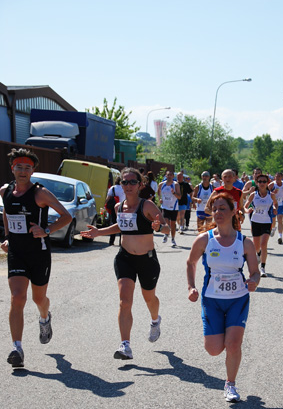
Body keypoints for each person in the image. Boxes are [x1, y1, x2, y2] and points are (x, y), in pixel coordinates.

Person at [81, 167, 170, 360]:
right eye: (124, 182)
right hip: (125, 258)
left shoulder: (147, 206)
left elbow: (167, 229)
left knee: (149, 299)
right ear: (120, 185)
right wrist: (99, 232)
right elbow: (121, 225)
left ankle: (155, 320)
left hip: (147, 260)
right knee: (125, 301)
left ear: (140, 185)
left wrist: (159, 227)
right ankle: (125, 346)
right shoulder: (118, 207)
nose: (128, 185)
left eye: (132, 182)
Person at [0, 148, 72, 368]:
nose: (23, 171)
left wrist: (47, 230)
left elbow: (67, 216)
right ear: (12, 168)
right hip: (17, 253)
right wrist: (7, 237)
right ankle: (17, 348)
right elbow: (7, 213)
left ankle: (44, 318)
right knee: (17, 297)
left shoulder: (40, 193)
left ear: (33, 171)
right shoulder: (5, 190)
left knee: (38, 299)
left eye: (27, 168)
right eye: (19, 167)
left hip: (38, 253)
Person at [187, 190, 259, 402]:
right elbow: (190, 263)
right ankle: (224, 345)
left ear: (233, 210)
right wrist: (191, 287)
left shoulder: (244, 242)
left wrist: (254, 281)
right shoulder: (205, 240)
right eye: (215, 209)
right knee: (214, 349)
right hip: (212, 300)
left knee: (234, 343)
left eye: (223, 208)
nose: (218, 212)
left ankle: (230, 384)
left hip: (238, 299)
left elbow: (255, 271)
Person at [245, 174, 278, 277]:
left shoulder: (271, 195)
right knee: (256, 247)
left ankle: (263, 268)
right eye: (260, 181)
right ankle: (258, 255)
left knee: (264, 244)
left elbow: (275, 203)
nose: (262, 183)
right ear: (257, 183)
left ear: (267, 183)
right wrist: (247, 210)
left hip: (267, 222)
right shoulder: (253, 195)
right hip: (255, 221)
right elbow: (245, 206)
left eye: (264, 181)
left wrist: (274, 208)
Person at [157, 170, 181, 247]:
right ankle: (166, 234)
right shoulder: (161, 184)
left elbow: (179, 197)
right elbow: (158, 192)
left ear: (173, 176)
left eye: (171, 175)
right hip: (165, 207)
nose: (169, 176)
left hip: (173, 207)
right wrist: (160, 199)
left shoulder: (176, 185)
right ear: (166, 176)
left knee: (172, 224)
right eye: (168, 175)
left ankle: (173, 239)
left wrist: (174, 193)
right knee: (165, 222)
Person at [269, 172, 283, 243]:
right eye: (276, 176)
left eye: (279, 176)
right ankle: (273, 228)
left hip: (281, 204)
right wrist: (272, 193)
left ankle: (280, 236)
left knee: (280, 220)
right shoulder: (272, 184)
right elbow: (265, 192)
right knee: (273, 221)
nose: (277, 178)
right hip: (272, 204)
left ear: (282, 177)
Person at [105, 176, 124, 245]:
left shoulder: (112, 188)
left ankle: (111, 241)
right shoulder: (124, 188)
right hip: (123, 207)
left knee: (113, 222)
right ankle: (121, 242)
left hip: (113, 207)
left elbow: (108, 198)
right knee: (122, 223)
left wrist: (105, 206)